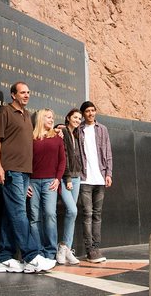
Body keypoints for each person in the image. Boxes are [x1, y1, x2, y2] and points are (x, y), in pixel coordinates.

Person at [0, 81, 56, 273]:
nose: (26, 95)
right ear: (13, 95)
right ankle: (31, 256)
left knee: (9, 215)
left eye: (28, 92)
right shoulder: (5, 112)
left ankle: (3, 258)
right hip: (10, 170)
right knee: (19, 213)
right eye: (22, 93)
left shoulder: (27, 116)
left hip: (24, 173)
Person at [77, 101, 113, 263]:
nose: (91, 113)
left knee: (97, 215)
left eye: (93, 110)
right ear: (83, 113)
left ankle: (96, 247)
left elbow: (108, 152)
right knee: (88, 214)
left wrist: (108, 173)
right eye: (88, 111)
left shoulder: (102, 129)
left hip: (100, 178)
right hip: (84, 178)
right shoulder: (79, 130)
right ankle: (90, 249)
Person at [28, 109, 65, 261]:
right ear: (41, 118)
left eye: (52, 117)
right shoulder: (30, 138)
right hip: (33, 183)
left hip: (50, 182)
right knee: (34, 218)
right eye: (48, 117)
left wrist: (57, 179)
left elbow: (62, 160)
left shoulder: (57, 138)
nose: (51, 120)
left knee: (50, 214)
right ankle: (37, 252)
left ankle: (50, 252)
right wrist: (25, 183)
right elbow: (25, 161)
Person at [56, 109, 84, 265]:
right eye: (75, 117)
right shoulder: (64, 131)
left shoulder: (76, 135)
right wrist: (66, 178)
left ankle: (67, 248)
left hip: (77, 177)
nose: (78, 120)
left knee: (71, 214)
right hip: (66, 178)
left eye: (79, 118)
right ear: (68, 118)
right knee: (73, 210)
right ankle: (61, 246)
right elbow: (64, 156)